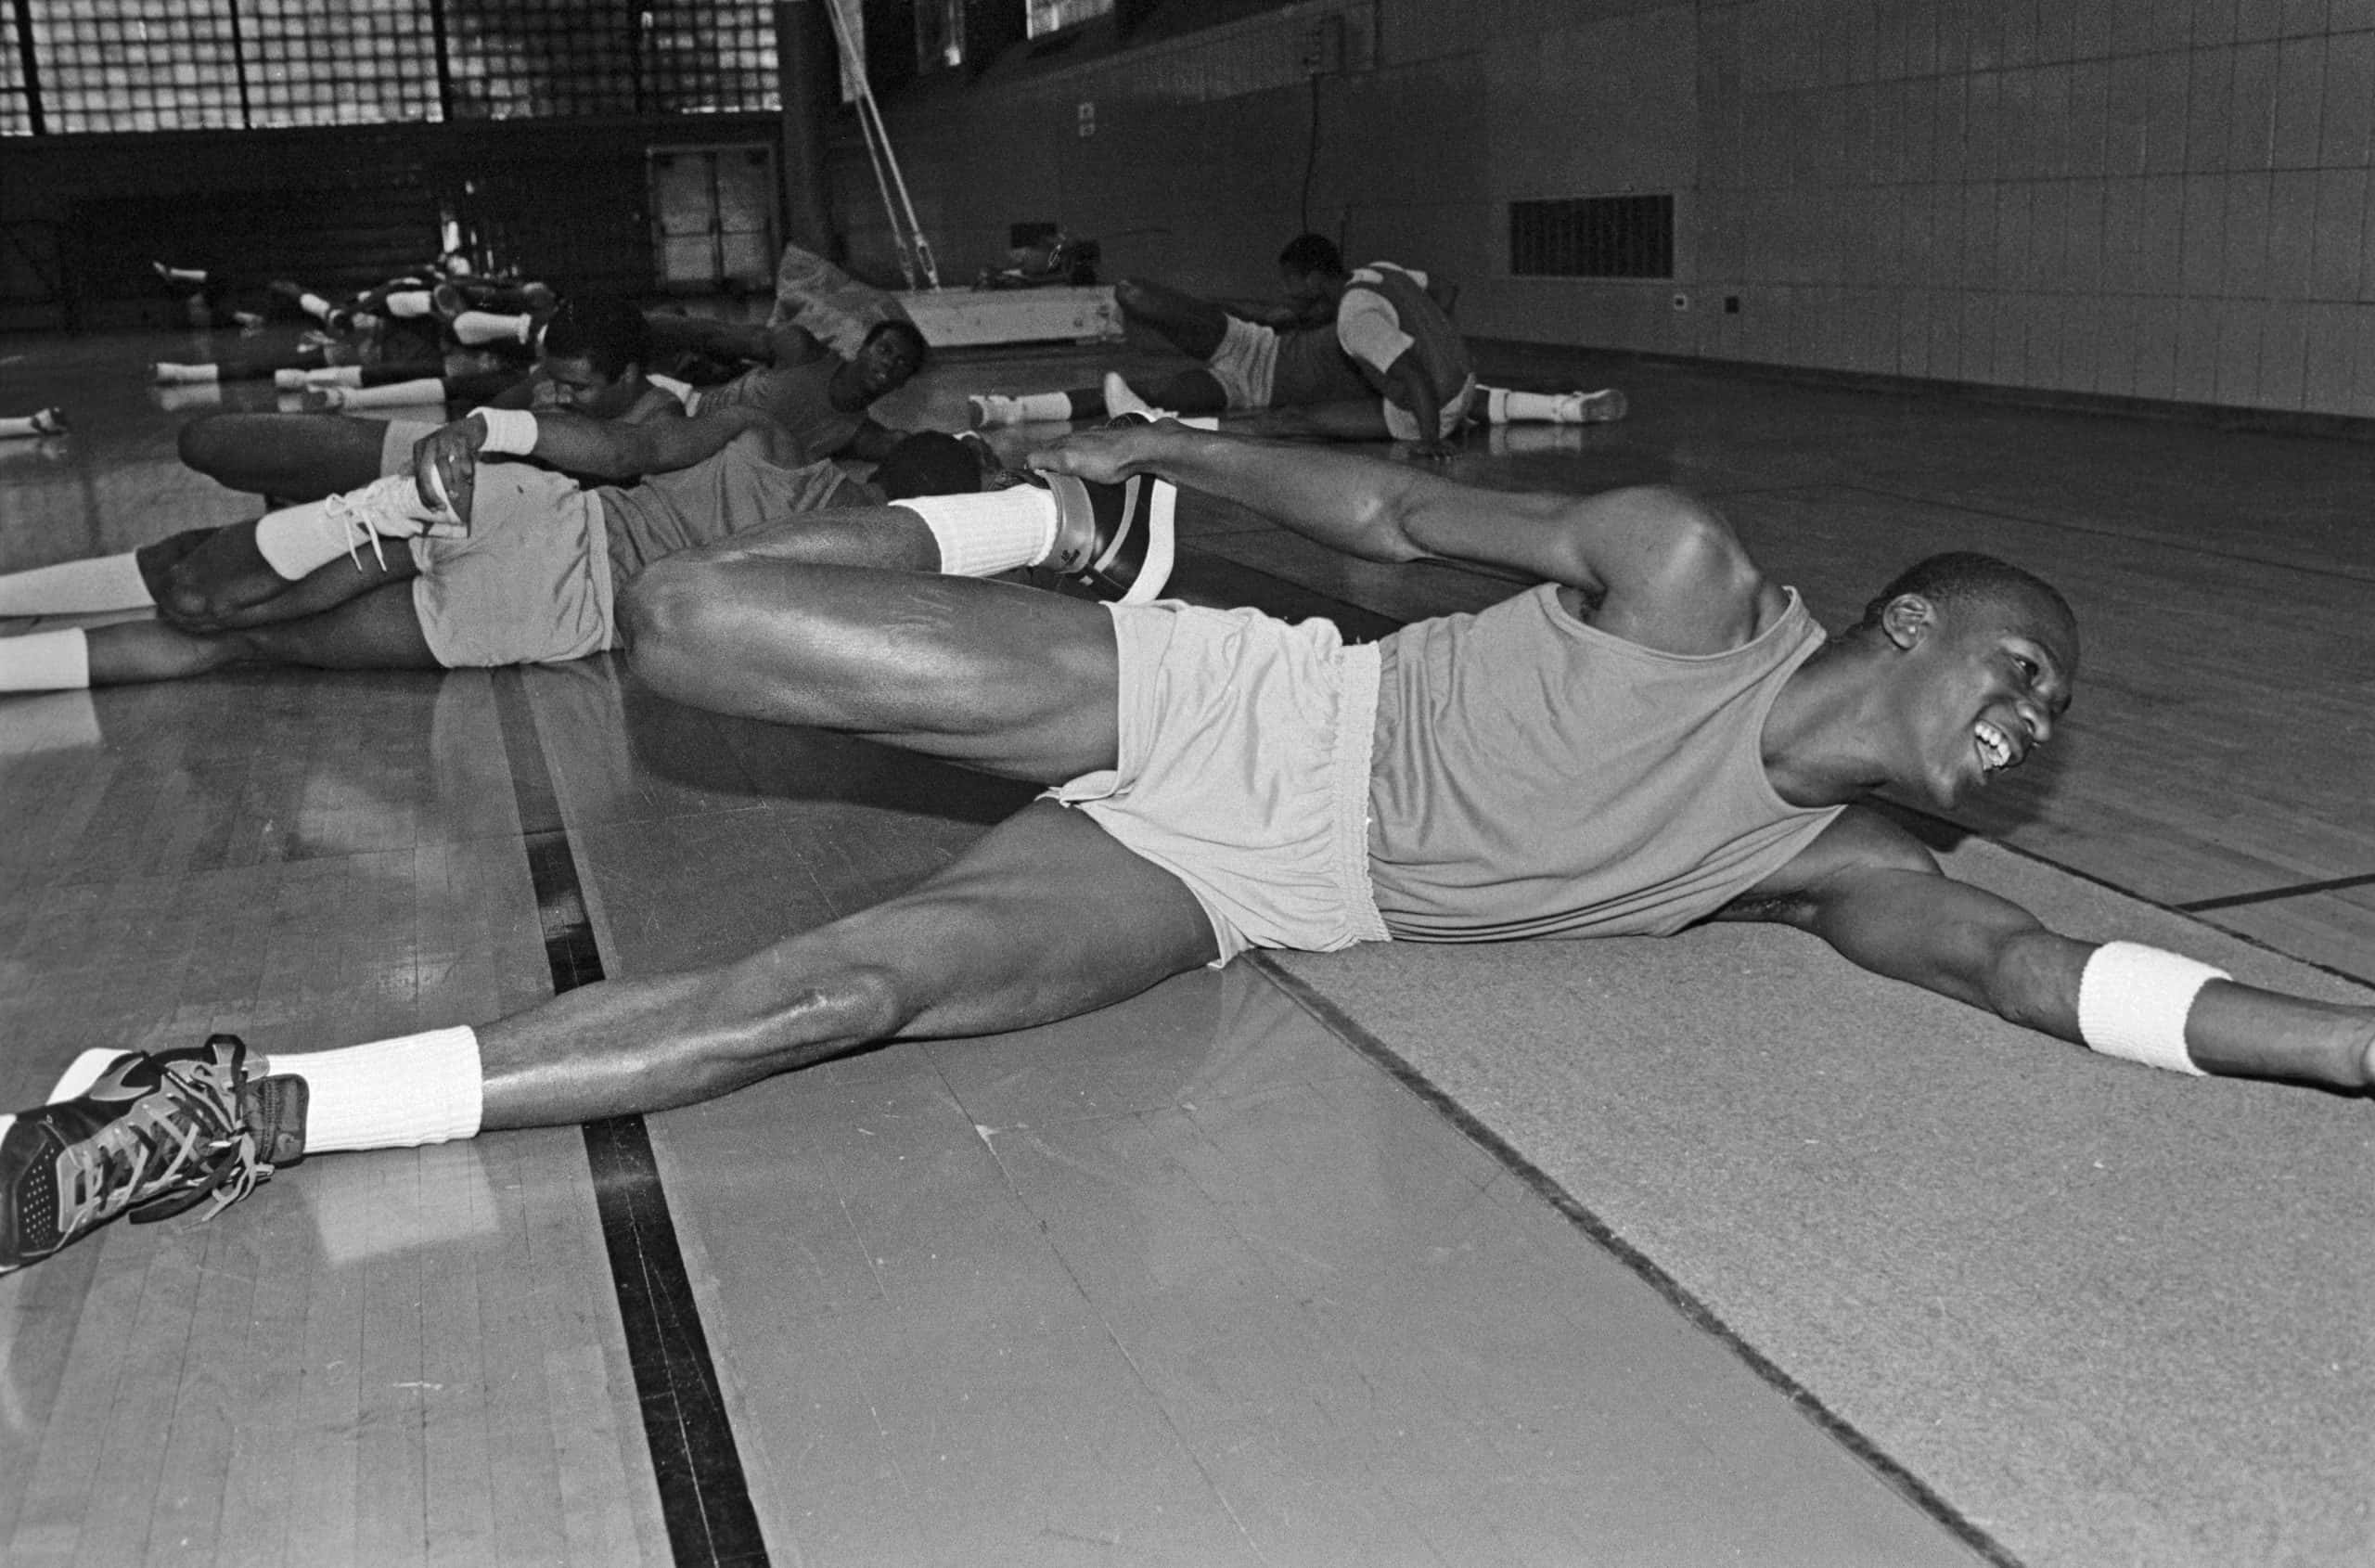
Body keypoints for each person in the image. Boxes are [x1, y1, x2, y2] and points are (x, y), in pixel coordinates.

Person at [2, 418, 2368, 1275]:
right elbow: (1386, 509)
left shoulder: (1835, 863)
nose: (2033, 726)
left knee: (829, 1000)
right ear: (1908, 621)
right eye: (2020, 675)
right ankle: (1042, 524)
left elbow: (2040, 977)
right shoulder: (1672, 568)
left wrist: (2337, 1042)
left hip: (1245, 885)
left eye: (2049, 719)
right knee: (700, 619)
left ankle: (228, 1102)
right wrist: (1132, 469)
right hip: (1240, 694)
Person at [0, 400, 995, 696]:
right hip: (549, 619)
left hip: (528, 509)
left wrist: (486, 429)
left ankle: (368, 517)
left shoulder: (772, 437)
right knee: (227, 638)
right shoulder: (871, 579)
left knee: (194, 582)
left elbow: (628, 447)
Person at [970, 235, 1624, 446]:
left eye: (1297, 284)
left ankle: (1011, 410)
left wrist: (1428, 443)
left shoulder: (1359, 321)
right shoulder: (1374, 287)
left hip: (1245, 388)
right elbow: (1440, 293)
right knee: (1134, 294)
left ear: (1315, 275)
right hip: (1251, 345)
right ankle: (1566, 408)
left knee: (1273, 420)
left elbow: (1419, 377)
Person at [174, 294, 684, 508]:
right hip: (430, 456)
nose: (566, 394)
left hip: (468, 518)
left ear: (629, 376)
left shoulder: (662, 422)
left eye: (581, 387)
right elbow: (477, 422)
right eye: (559, 380)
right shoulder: (555, 380)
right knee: (210, 441)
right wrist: (529, 409)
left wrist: (550, 432)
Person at [643, 312, 930, 465]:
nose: (889, 363)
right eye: (885, 349)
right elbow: (709, 334)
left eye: (902, 363)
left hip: (703, 469)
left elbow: (916, 451)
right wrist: (633, 326)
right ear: (864, 347)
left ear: (903, 382)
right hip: (683, 411)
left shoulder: (858, 436)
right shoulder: (800, 350)